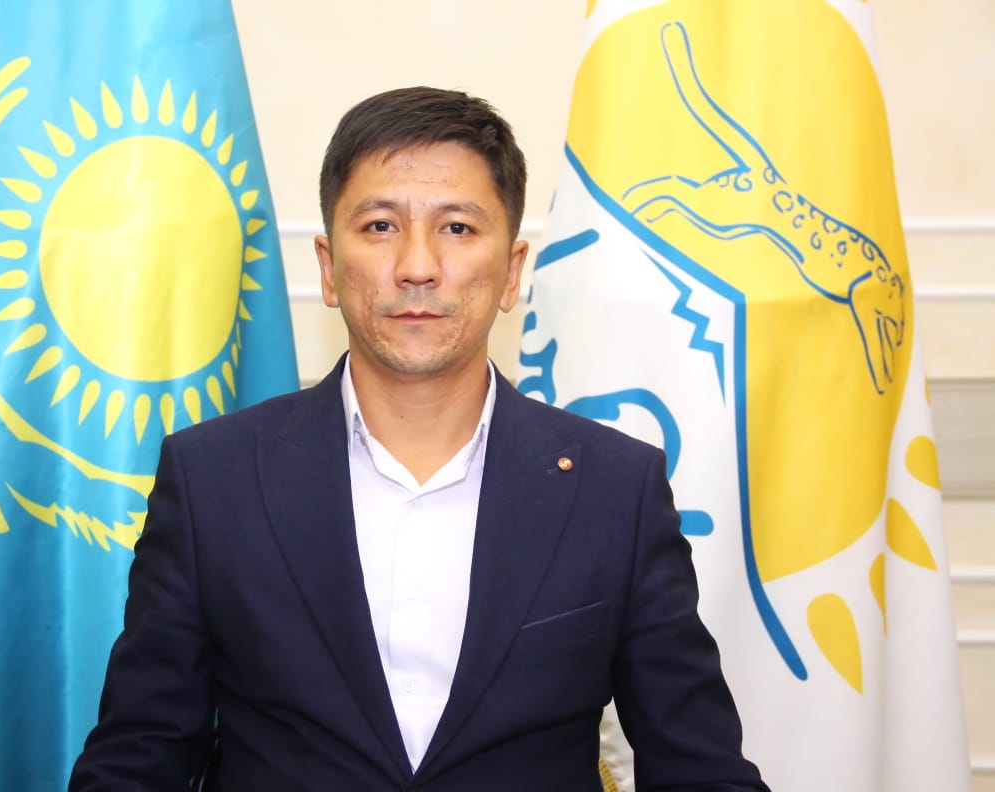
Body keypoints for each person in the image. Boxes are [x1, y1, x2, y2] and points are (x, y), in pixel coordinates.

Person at [69, 86, 768, 791]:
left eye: (457, 228)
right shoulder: (212, 479)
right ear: (327, 267)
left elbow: (700, 768)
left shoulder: (615, 489)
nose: (417, 266)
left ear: (512, 272)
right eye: (379, 226)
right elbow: (138, 758)